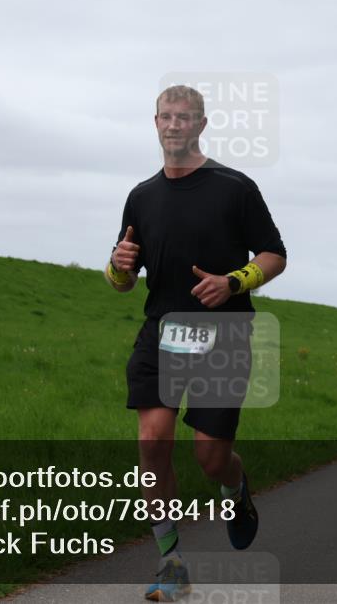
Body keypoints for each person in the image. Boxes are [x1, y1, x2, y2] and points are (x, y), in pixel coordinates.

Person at [107, 85, 287, 602]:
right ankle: (170, 562)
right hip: (161, 333)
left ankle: (237, 487)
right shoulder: (141, 195)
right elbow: (123, 277)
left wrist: (234, 281)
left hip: (224, 335)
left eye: (184, 118)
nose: (174, 125)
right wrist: (116, 269)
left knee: (211, 457)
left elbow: (274, 254)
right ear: (155, 122)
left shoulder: (234, 187)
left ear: (201, 126)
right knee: (152, 441)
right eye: (166, 116)